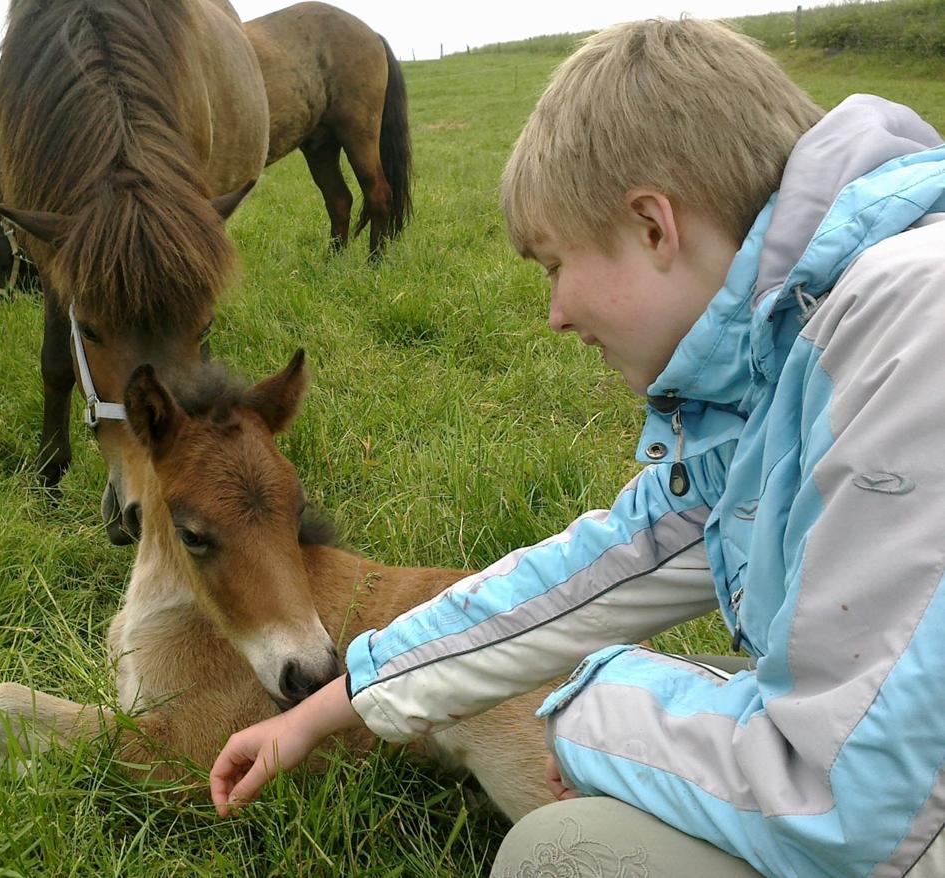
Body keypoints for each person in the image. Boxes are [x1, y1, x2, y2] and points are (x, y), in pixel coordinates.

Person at [210, 17, 945, 878]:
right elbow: (587, 577)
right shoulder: (773, 372)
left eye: (555, 266)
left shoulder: (908, 333)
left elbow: (855, 805)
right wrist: (328, 708)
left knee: (557, 855)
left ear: (653, 227)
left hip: (883, 814)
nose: (555, 315)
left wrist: (591, 718)